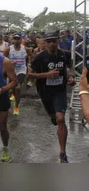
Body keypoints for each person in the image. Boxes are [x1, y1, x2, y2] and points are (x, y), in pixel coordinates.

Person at [28, 31, 75, 163]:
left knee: (61, 119)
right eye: (48, 41)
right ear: (44, 42)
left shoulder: (64, 54)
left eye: (53, 41)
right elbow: (30, 75)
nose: (51, 44)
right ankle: (53, 117)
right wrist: (46, 75)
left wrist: (70, 76)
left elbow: (69, 67)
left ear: (58, 41)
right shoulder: (40, 57)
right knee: (55, 117)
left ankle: (63, 153)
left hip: (60, 90)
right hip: (45, 92)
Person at [4, 33, 32, 115]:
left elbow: (31, 55)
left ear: (21, 40)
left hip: (21, 70)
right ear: (12, 40)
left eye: (18, 39)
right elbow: (3, 58)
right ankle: (12, 94)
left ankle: (16, 107)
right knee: (13, 86)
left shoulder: (25, 49)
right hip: (11, 71)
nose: (16, 40)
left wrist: (30, 65)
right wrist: (10, 63)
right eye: (15, 39)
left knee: (18, 88)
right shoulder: (8, 49)